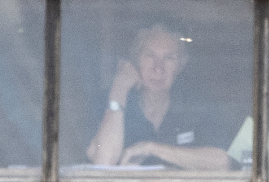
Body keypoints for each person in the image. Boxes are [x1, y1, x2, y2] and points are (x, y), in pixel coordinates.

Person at [84, 22, 238, 171]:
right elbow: (103, 163)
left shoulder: (195, 103)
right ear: (136, 60)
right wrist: (119, 90)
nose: (158, 68)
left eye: (169, 58)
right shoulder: (111, 101)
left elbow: (222, 162)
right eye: (150, 55)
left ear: (180, 66)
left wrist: (151, 148)